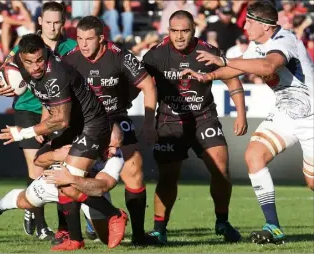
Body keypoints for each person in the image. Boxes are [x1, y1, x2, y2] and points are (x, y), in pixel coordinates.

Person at [0, 34, 128, 251]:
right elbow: (0, 75)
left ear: (46, 53)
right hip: (74, 127)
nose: (35, 67)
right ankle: (75, 237)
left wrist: (23, 133)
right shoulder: (18, 63)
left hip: (92, 125)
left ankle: (113, 216)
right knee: (41, 161)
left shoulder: (56, 74)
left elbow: (60, 119)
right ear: (21, 58)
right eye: (29, 62)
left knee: (67, 182)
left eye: (39, 60)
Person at [181, 1, 313, 244]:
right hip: (285, 111)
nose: (245, 24)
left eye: (250, 21)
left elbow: (267, 66)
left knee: (312, 182)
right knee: (254, 155)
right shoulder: (258, 44)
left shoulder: (284, 40)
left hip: (311, 116)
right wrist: (208, 75)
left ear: (265, 26)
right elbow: (235, 68)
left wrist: (222, 60)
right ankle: (273, 226)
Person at [142, 10, 248, 244]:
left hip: (204, 118)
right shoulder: (156, 55)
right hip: (169, 121)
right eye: (174, 31)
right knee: (168, 178)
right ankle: (160, 229)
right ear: (168, 30)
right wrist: (148, 122)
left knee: (221, 169)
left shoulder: (207, 52)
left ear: (194, 30)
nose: (179, 36)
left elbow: (232, 78)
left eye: (185, 30)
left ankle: (222, 222)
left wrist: (241, 113)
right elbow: (143, 86)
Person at [61, 15, 160, 246]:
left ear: (102, 39)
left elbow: (148, 85)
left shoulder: (120, 56)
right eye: (79, 39)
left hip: (116, 116)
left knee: (134, 169)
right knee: (70, 175)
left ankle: (138, 235)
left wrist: (148, 122)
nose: (83, 44)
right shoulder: (70, 59)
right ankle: (70, 232)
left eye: (89, 39)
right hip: (84, 122)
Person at [0, 1, 77, 241]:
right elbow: (6, 71)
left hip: (59, 113)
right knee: (37, 168)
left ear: (64, 22)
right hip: (28, 109)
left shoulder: (72, 47)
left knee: (59, 171)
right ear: (40, 22)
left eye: (57, 22)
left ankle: (63, 227)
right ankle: (40, 223)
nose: (53, 26)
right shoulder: (27, 44)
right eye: (48, 22)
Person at [0, 123, 125, 247]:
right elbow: (38, 160)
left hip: (90, 190)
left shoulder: (116, 157)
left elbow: (104, 186)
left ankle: (88, 225)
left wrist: (71, 178)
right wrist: (56, 156)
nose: (114, 151)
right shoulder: (73, 140)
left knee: (107, 240)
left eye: (118, 146)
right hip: (56, 178)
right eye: (110, 146)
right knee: (24, 201)